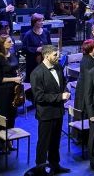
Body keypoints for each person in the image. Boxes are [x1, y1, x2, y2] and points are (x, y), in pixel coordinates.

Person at [30, 44, 71, 173]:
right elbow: (39, 97)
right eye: (55, 55)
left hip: (58, 111)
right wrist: (60, 96)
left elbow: (63, 83)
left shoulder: (58, 67)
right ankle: (40, 169)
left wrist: (66, 91)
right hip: (46, 114)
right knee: (43, 143)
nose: (58, 57)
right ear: (46, 56)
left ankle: (55, 165)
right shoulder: (37, 73)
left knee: (55, 141)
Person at [0, 34, 21, 128]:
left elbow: (15, 68)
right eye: (9, 42)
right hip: (4, 91)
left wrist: (18, 75)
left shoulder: (12, 55)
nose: (12, 43)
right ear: (2, 44)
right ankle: (2, 135)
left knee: (12, 114)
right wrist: (14, 79)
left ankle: (10, 134)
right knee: (4, 115)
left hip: (14, 89)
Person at [22, 13, 52, 80]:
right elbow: (24, 48)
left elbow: (50, 45)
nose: (42, 22)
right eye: (40, 21)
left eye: (42, 20)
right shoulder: (28, 35)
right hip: (32, 62)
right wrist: (36, 49)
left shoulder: (46, 32)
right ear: (34, 22)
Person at [74, 39, 94, 118]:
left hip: (89, 88)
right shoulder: (87, 61)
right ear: (90, 49)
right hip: (84, 90)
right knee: (86, 114)